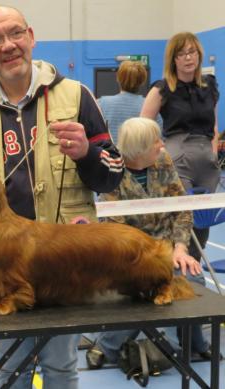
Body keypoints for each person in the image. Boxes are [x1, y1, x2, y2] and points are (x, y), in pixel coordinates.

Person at [0, 5, 124, 388]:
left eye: (15, 33)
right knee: (9, 369)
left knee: (61, 369)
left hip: (63, 265)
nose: (8, 45)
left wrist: (86, 154)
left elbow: (111, 176)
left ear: (31, 37)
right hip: (2, 272)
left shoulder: (77, 96)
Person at [86, 117, 211, 369]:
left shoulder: (162, 161)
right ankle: (123, 345)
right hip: (132, 259)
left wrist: (180, 248)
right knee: (148, 286)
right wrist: (154, 260)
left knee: (193, 276)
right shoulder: (111, 175)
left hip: (169, 250)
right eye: (156, 141)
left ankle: (191, 344)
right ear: (139, 149)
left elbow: (182, 209)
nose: (162, 145)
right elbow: (116, 235)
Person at [141, 31, 220, 264]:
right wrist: (161, 151)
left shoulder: (210, 86)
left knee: (202, 220)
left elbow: (213, 123)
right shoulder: (162, 88)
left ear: (199, 55)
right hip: (177, 156)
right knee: (182, 216)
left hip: (207, 160)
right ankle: (176, 263)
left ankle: (193, 265)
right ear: (173, 59)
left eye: (192, 52)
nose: (188, 58)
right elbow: (143, 125)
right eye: (182, 53)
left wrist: (214, 149)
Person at [98, 60, 156, 145]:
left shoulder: (100, 103)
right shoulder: (152, 106)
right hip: (139, 157)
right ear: (142, 81)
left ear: (118, 78)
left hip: (109, 156)